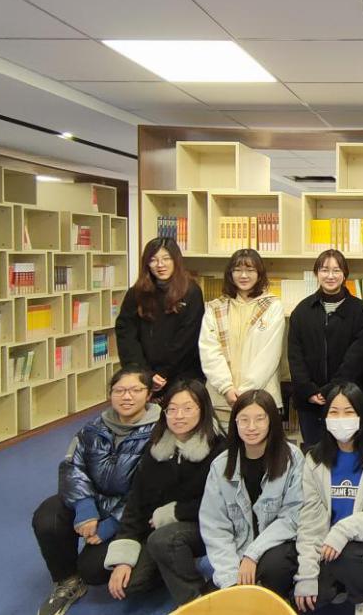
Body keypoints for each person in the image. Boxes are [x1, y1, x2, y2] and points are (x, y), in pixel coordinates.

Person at [31, 366, 161, 615]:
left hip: (135, 517)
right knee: (49, 516)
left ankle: (156, 566)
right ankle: (68, 581)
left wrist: (112, 524)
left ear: (148, 395)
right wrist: (85, 506)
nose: (126, 396)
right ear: (110, 393)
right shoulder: (93, 428)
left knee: (93, 569)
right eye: (119, 390)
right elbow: (71, 467)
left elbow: (152, 491)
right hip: (97, 502)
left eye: (135, 390)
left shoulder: (160, 432)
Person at [103, 380, 225, 605]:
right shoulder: (157, 447)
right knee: (129, 582)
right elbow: (136, 502)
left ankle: (195, 601)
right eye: (172, 409)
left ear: (203, 410)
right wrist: (123, 557)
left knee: (163, 541)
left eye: (188, 408)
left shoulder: (219, 448)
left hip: (205, 526)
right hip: (161, 529)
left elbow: (221, 503)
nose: (179, 416)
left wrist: (176, 512)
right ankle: (171, 564)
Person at [294, 381, 363, 615]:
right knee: (311, 600)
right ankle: (340, 584)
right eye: (334, 412)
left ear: (361, 416)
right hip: (326, 544)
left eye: (349, 412)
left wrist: (343, 531)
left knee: (349, 556)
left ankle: (362, 596)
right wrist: (307, 575)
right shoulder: (314, 460)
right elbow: (310, 520)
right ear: (325, 417)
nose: (341, 419)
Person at [201, 390, 304, 600]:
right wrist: (230, 577)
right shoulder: (221, 465)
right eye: (244, 420)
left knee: (273, 568)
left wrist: (253, 554)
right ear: (235, 422)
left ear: (272, 421)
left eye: (259, 419)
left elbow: (293, 516)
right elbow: (215, 527)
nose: (251, 427)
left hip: (277, 545)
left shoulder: (292, 458)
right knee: (219, 598)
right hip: (239, 549)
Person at [287, 250, 363, 448]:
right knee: (315, 453)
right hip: (309, 401)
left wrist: (330, 391)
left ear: (344, 274)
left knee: (349, 451)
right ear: (316, 273)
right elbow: (295, 355)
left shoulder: (358, 310)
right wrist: (309, 390)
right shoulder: (302, 310)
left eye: (336, 270)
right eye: (325, 270)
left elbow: (357, 358)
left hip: (348, 399)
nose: (330, 276)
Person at [199, 248, 285, 425]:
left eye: (250, 270)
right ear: (230, 274)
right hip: (221, 399)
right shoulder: (215, 307)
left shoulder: (272, 306)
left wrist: (246, 392)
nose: (243, 275)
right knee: (221, 441)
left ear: (259, 274)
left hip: (260, 397)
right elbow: (209, 351)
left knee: (258, 438)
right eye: (237, 270)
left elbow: (269, 356)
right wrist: (227, 388)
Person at [116, 237, 205, 398]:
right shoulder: (136, 293)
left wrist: (163, 373)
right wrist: (143, 372)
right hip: (143, 373)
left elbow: (187, 339)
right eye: (153, 260)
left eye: (166, 258)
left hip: (182, 373)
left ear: (176, 260)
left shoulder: (191, 291)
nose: (160, 265)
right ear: (146, 264)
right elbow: (126, 334)